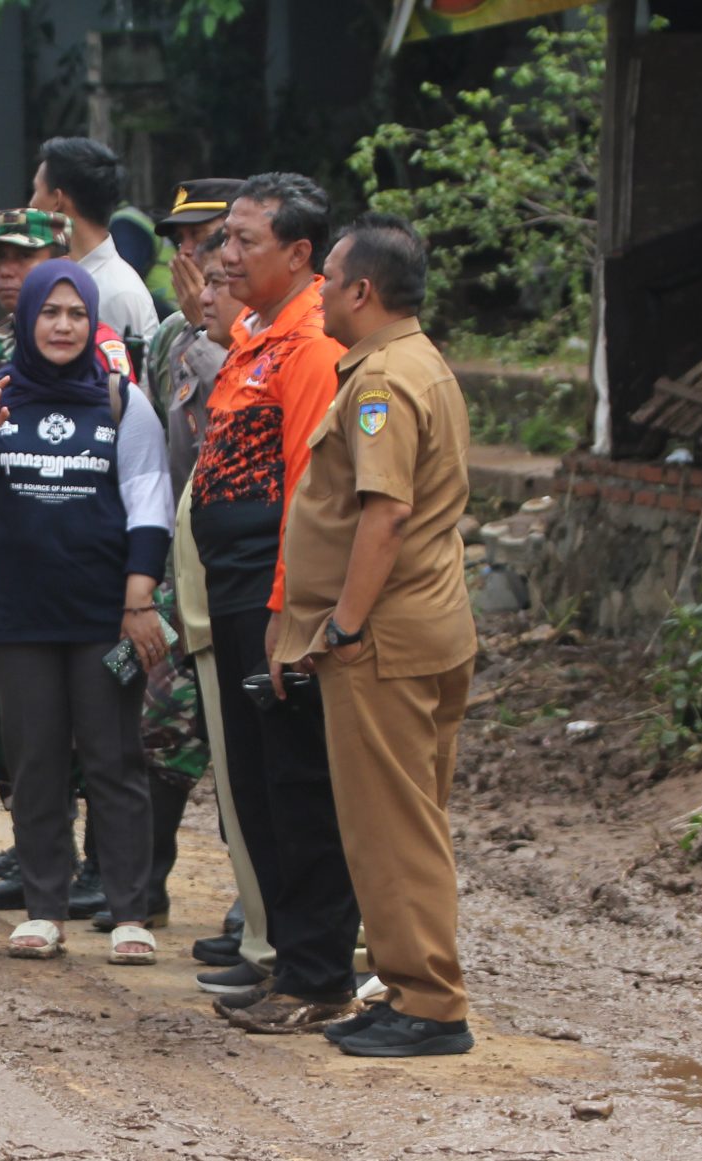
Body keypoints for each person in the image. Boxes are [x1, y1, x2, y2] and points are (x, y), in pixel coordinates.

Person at [0, 259, 170, 964]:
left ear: (91, 321)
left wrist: (139, 597)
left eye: (74, 313)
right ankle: (45, 906)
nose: (60, 325)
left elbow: (149, 499)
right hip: (15, 616)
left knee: (114, 759)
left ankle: (129, 909)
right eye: (49, 313)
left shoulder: (120, 399)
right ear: (27, 322)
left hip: (102, 617)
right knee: (37, 759)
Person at [278, 214, 476, 1059]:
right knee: (413, 817)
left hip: (385, 638)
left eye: (327, 276)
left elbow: (385, 515)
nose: (318, 288)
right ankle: (413, 988)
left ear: (362, 291)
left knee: (389, 824)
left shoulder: (380, 384)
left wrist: (344, 626)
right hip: (431, 622)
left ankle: (427, 1001)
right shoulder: (420, 363)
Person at [190, 172, 358, 1036]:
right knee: (255, 786)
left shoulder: (313, 348)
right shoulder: (258, 338)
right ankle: (291, 961)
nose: (226, 255)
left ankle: (322, 971)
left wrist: (293, 618)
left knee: (296, 785)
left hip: (273, 598)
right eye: (226, 239)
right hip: (237, 592)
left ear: (299, 254)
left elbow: (309, 489)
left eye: (243, 240)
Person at [149, 178, 271, 978]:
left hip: (249, 569)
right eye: (183, 243)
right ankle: (139, 879)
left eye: (209, 240)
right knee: (166, 728)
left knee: (250, 746)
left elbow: (246, 414)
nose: (194, 259)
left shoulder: (263, 337)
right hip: (182, 563)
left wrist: (212, 330)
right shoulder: (165, 339)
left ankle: (255, 898)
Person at [31, 136, 157, 351]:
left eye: (36, 191)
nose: (31, 204)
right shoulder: (64, 275)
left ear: (57, 200)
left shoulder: (118, 293)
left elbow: (133, 382)